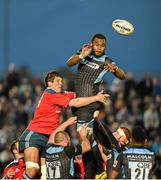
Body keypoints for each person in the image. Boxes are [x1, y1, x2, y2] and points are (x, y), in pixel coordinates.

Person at [19, 70, 109, 179]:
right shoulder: (50, 94)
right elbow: (75, 102)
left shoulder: (61, 94)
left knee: (43, 175)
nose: (61, 83)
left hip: (49, 138)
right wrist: (96, 98)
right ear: (49, 83)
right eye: (58, 81)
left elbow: (79, 96)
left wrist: (96, 93)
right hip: (35, 135)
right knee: (33, 171)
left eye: (61, 81)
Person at [66, 33, 126, 178]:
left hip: (89, 104)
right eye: (97, 44)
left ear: (105, 46)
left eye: (102, 45)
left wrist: (115, 69)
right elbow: (69, 63)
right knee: (90, 141)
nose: (99, 47)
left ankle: (71, 156)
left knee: (83, 139)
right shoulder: (85, 52)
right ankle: (97, 170)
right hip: (80, 104)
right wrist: (81, 55)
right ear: (92, 44)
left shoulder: (106, 61)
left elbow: (122, 75)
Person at [93, 114, 131, 179]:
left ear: (122, 140)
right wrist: (102, 154)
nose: (114, 133)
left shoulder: (123, 150)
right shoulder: (115, 149)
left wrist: (95, 119)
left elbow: (106, 133)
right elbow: (111, 163)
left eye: (118, 133)